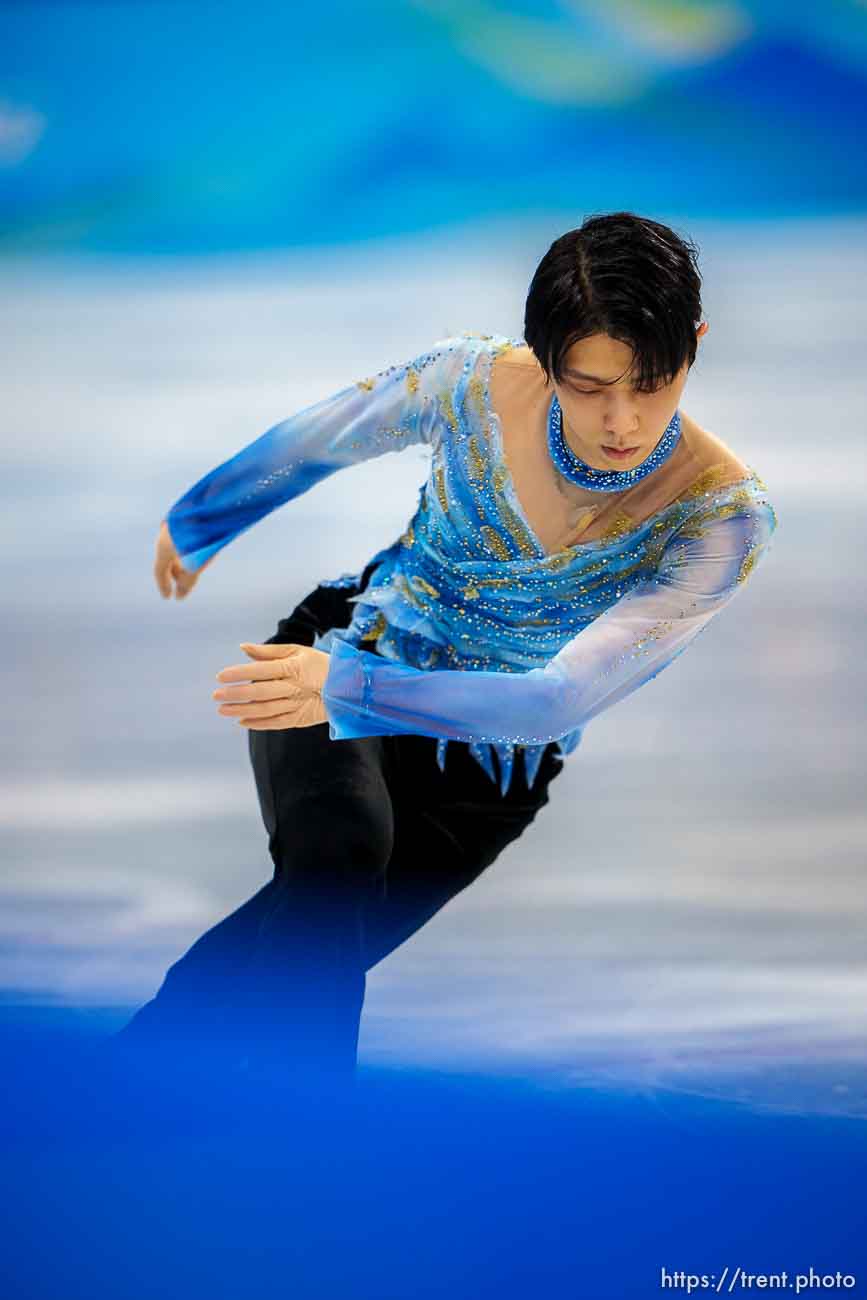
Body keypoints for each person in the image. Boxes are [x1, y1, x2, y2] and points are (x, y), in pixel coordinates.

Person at [111, 211, 778, 1093]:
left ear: (694, 343)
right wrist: (200, 520)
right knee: (334, 858)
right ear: (546, 361)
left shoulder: (718, 518)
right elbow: (328, 435)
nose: (622, 421)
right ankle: (305, 1149)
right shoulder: (468, 382)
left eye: (651, 384)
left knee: (291, 948)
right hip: (349, 641)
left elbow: (557, 700)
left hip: (481, 765)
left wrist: (345, 690)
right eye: (587, 387)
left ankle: (120, 1091)